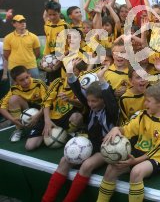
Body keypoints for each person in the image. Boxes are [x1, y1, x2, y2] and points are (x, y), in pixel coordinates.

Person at [41, 61, 118, 202]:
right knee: (65, 160)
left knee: (87, 165)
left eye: (94, 101)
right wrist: (70, 72)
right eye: (89, 101)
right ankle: (47, 199)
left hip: (105, 146)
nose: (90, 104)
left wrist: (102, 80)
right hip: (90, 143)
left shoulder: (111, 111)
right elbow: (77, 90)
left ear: (103, 100)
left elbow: (111, 100)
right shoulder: (90, 107)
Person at [96, 82, 160, 202]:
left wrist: (134, 161)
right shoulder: (144, 115)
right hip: (140, 151)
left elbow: (157, 151)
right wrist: (116, 129)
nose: (145, 104)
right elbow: (128, 128)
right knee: (111, 168)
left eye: (148, 101)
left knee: (136, 172)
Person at [0, 65, 48, 143]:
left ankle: (43, 123)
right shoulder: (14, 89)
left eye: (27, 77)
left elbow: (48, 102)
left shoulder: (39, 83)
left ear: (29, 75)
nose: (26, 81)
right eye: (21, 80)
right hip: (29, 109)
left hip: (43, 110)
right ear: (16, 82)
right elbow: (2, 107)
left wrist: (38, 115)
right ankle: (19, 129)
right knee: (13, 99)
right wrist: (12, 119)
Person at [3, 14, 41, 79]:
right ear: (14, 24)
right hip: (14, 67)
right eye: (20, 22)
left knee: (35, 85)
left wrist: (29, 60)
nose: (23, 23)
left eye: (24, 21)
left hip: (31, 66)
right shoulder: (8, 38)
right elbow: (6, 55)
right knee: (16, 88)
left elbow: (37, 53)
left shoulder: (34, 37)